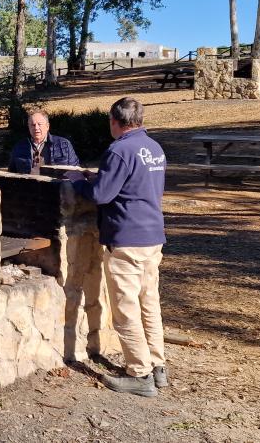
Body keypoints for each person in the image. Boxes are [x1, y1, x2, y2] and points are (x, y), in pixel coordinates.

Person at [71, 96, 168, 398]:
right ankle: (158, 365)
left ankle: (140, 374)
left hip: (126, 238)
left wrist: (77, 181)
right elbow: (131, 184)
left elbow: (101, 195)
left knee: (125, 309)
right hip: (153, 237)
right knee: (148, 303)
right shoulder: (154, 148)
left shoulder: (119, 149)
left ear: (115, 121)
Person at [8, 110, 80, 174]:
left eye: (39, 124)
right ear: (28, 127)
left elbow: (76, 170)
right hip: (28, 187)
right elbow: (12, 172)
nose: (36, 128)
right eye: (33, 125)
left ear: (47, 126)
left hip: (57, 187)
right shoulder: (19, 147)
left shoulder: (64, 145)